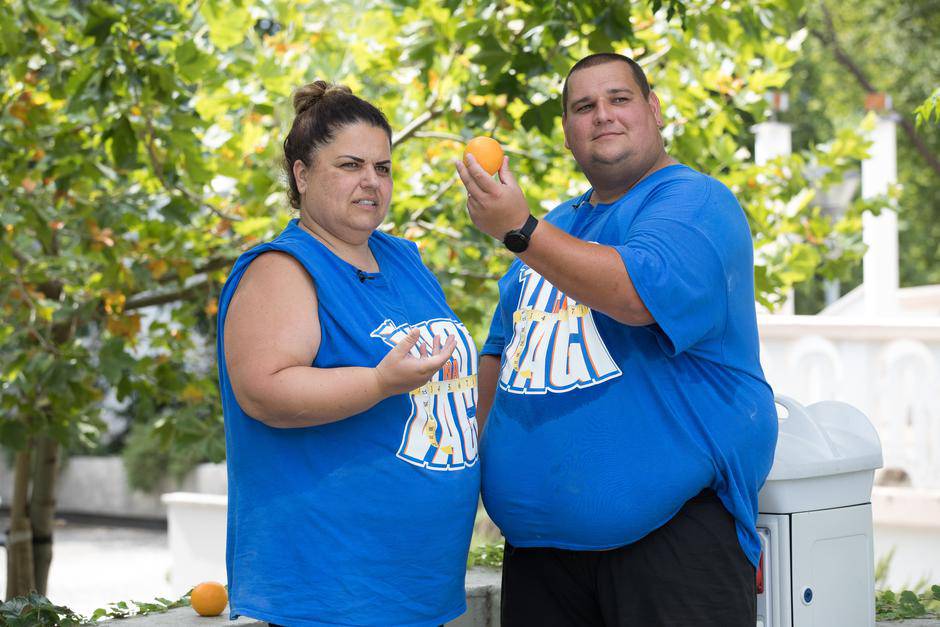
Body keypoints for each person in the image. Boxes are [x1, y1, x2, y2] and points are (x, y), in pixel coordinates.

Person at [455, 53, 778, 626]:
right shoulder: (559, 223)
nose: (602, 115)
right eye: (584, 107)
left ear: (653, 110)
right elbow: (500, 349)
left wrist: (522, 231)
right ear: (567, 133)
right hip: (540, 560)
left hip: (673, 549)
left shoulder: (695, 202)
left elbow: (635, 293)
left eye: (619, 99)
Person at [217, 81, 481, 627]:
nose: (371, 181)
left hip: (420, 588)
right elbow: (264, 392)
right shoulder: (283, 268)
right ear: (302, 174)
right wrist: (379, 383)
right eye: (350, 165)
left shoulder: (404, 258)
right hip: (332, 593)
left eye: (382, 168)